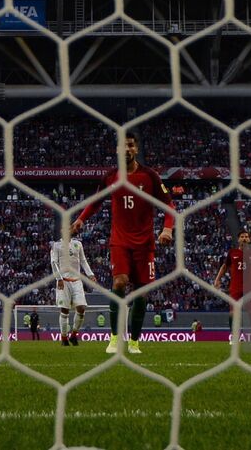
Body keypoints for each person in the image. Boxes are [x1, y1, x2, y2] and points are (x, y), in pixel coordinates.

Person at [72, 135, 174, 356]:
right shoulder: (110, 177)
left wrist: (168, 229)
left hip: (145, 244)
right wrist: (81, 219)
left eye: (130, 145)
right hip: (119, 241)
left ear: (135, 149)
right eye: (123, 145)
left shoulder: (150, 176)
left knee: (141, 293)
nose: (127, 149)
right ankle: (115, 337)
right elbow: (96, 201)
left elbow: (169, 206)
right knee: (119, 282)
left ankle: (134, 341)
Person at [49, 233, 96, 346]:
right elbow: (54, 263)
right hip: (63, 281)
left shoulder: (77, 244)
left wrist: (90, 275)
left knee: (81, 308)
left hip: (77, 281)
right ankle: (64, 338)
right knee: (64, 310)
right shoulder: (56, 246)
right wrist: (59, 278)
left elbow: (83, 260)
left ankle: (74, 335)